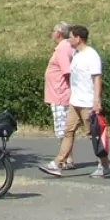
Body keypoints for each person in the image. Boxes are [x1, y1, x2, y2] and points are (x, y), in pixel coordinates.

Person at [39, 25, 110, 179]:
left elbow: (97, 78)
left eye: (71, 37)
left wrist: (96, 100)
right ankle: (57, 164)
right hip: (75, 102)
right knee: (68, 131)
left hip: (87, 103)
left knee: (93, 134)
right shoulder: (76, 54)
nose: (68, 40)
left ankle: (104, 165)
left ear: (78, 39)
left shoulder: (91, 55)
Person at [44, 22, 75, 170]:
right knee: (63, 129)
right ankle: (68, 158)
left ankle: (65, 160)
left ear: (59, 33)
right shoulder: (64, 47)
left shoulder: (63, 48)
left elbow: (67, 71)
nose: (51, 33)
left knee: (63, 130)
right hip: (57, 94)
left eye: (53, 31)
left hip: (60, 94)